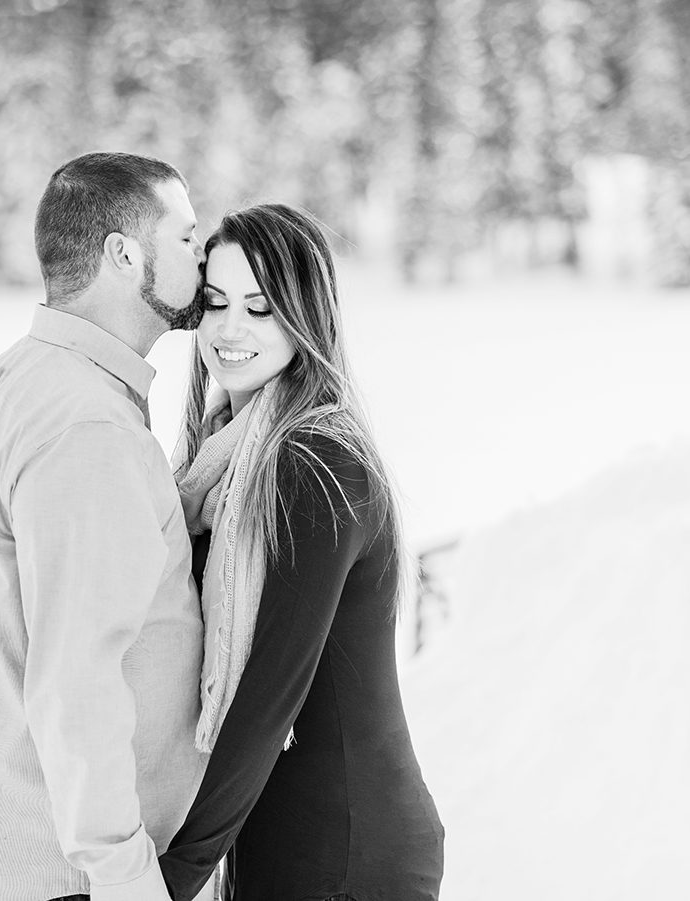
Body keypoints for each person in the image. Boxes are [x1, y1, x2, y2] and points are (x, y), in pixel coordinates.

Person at [0, 151, 213, 901]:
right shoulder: (88, 428)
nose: (202, 256)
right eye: (185, 236)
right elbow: (76, 679)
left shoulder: (8, 389)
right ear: (124, 254)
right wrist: (126, 877)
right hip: (67, 879)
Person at [157, 205, 445, 901]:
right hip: (281, 840)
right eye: (216, 303)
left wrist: (166, 881)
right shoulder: (217, 463)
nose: (229, 330)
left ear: (304, 318)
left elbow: (269, 691)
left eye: (260, 309)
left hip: (347, 849)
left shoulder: (316, 461)